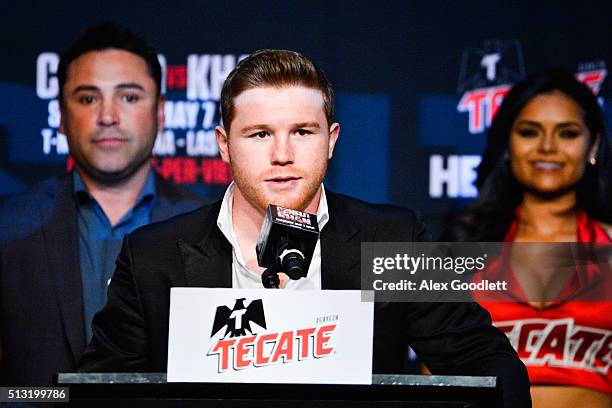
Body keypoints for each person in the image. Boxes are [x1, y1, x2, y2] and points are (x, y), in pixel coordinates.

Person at [79, 49, 531, 407]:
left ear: (331, 139)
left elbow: (488, 363)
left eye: (302, 132)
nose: (282, 154)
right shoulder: (153, 256)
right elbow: (100, 391)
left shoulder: (390, 240)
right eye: (259, 134)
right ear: (224, 145)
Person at [0, 24, 208, 386]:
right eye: (87, 98)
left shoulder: (212, 227)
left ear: (160, 112)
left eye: (129, 97)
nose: (108, 116)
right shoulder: (8, 225)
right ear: (62, 116)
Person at [441, 70, 611, 407]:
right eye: (530, 132)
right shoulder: (455, 250)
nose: (547, 147)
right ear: (508, 143)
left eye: (567, 133)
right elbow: (436, 379)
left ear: (592, 145)